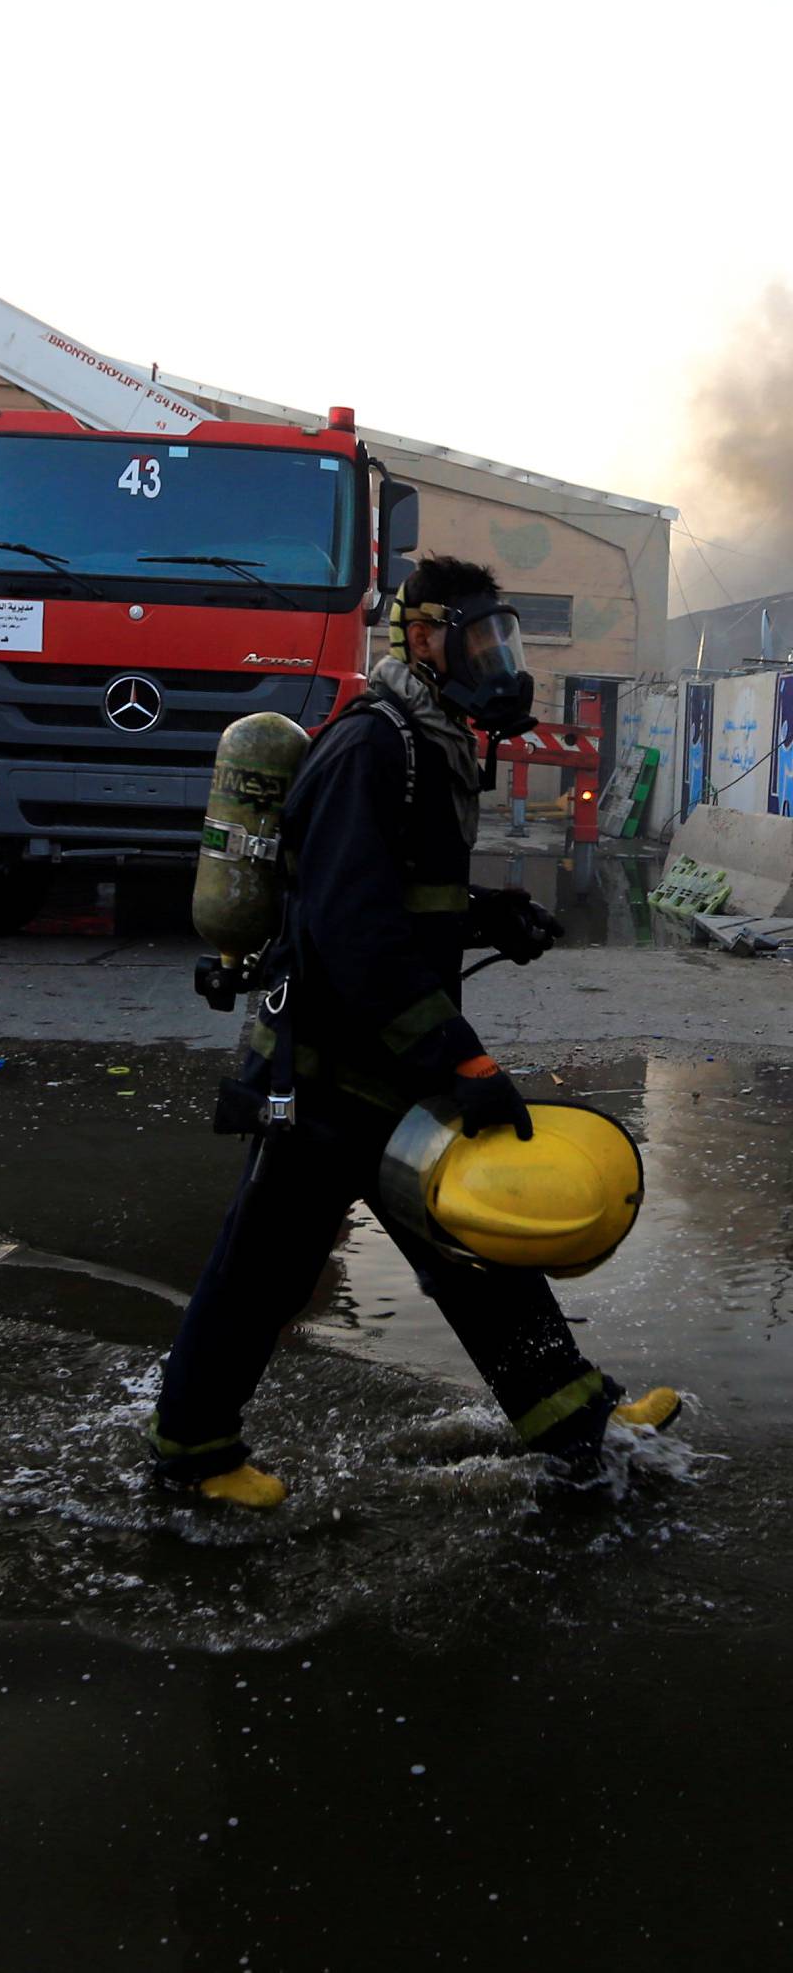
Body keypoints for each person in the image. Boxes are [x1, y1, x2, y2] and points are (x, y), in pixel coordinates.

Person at [150, 554, 679, 1509]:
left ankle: (577, 1421)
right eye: (480, 639)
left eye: (502, 638)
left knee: (478, 1249)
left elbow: (398, 901)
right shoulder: (374, 748)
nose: (498, 660)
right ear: (425, 638)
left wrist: (488, 916)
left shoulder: (427, 742)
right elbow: (347, 931)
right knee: (261, 1275)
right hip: (324, 1075)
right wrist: (460, 1060)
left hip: (387, 1069)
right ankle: (191, 1455)